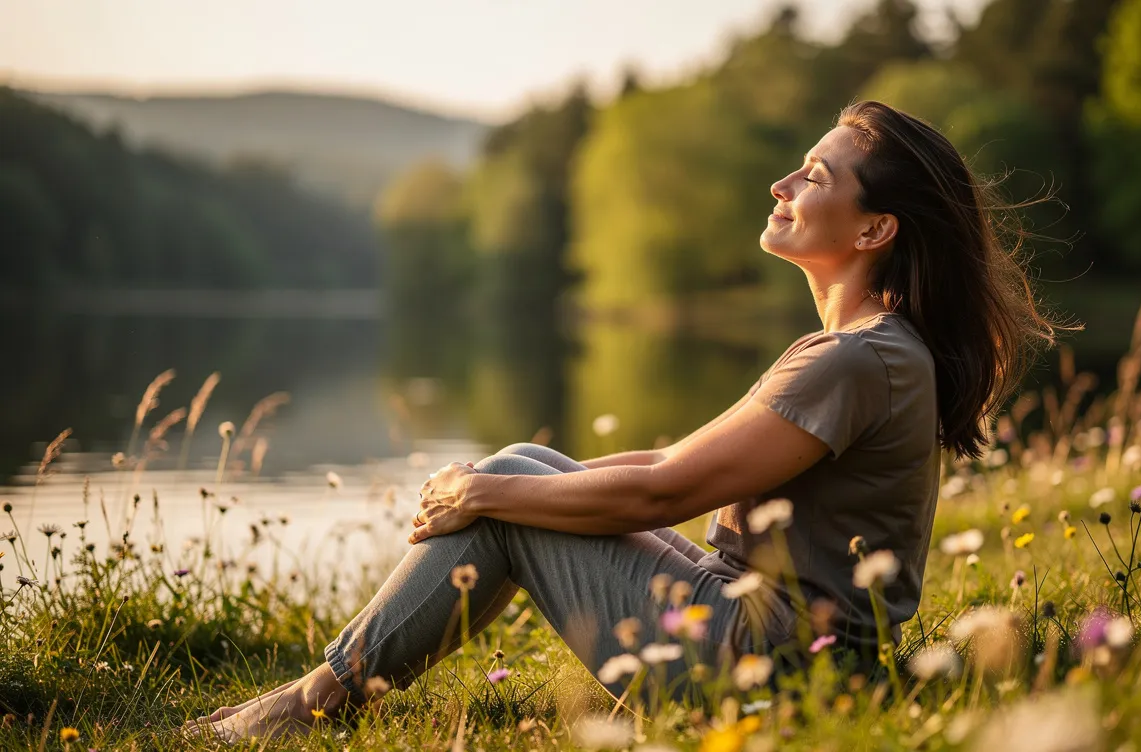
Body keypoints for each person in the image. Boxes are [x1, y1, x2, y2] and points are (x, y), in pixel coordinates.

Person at [185, 100, 1059, 741]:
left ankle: (310, 703)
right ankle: (328, 689)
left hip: (774, 665)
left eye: (816, 177)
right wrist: (507, 479)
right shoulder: (871, 348)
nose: (783, 183)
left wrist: (484, 491)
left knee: (509, 485)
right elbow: (679, 459)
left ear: (873, 230)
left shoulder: (857, 357)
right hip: (787, 639)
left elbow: (665, 491)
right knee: (528, 460)